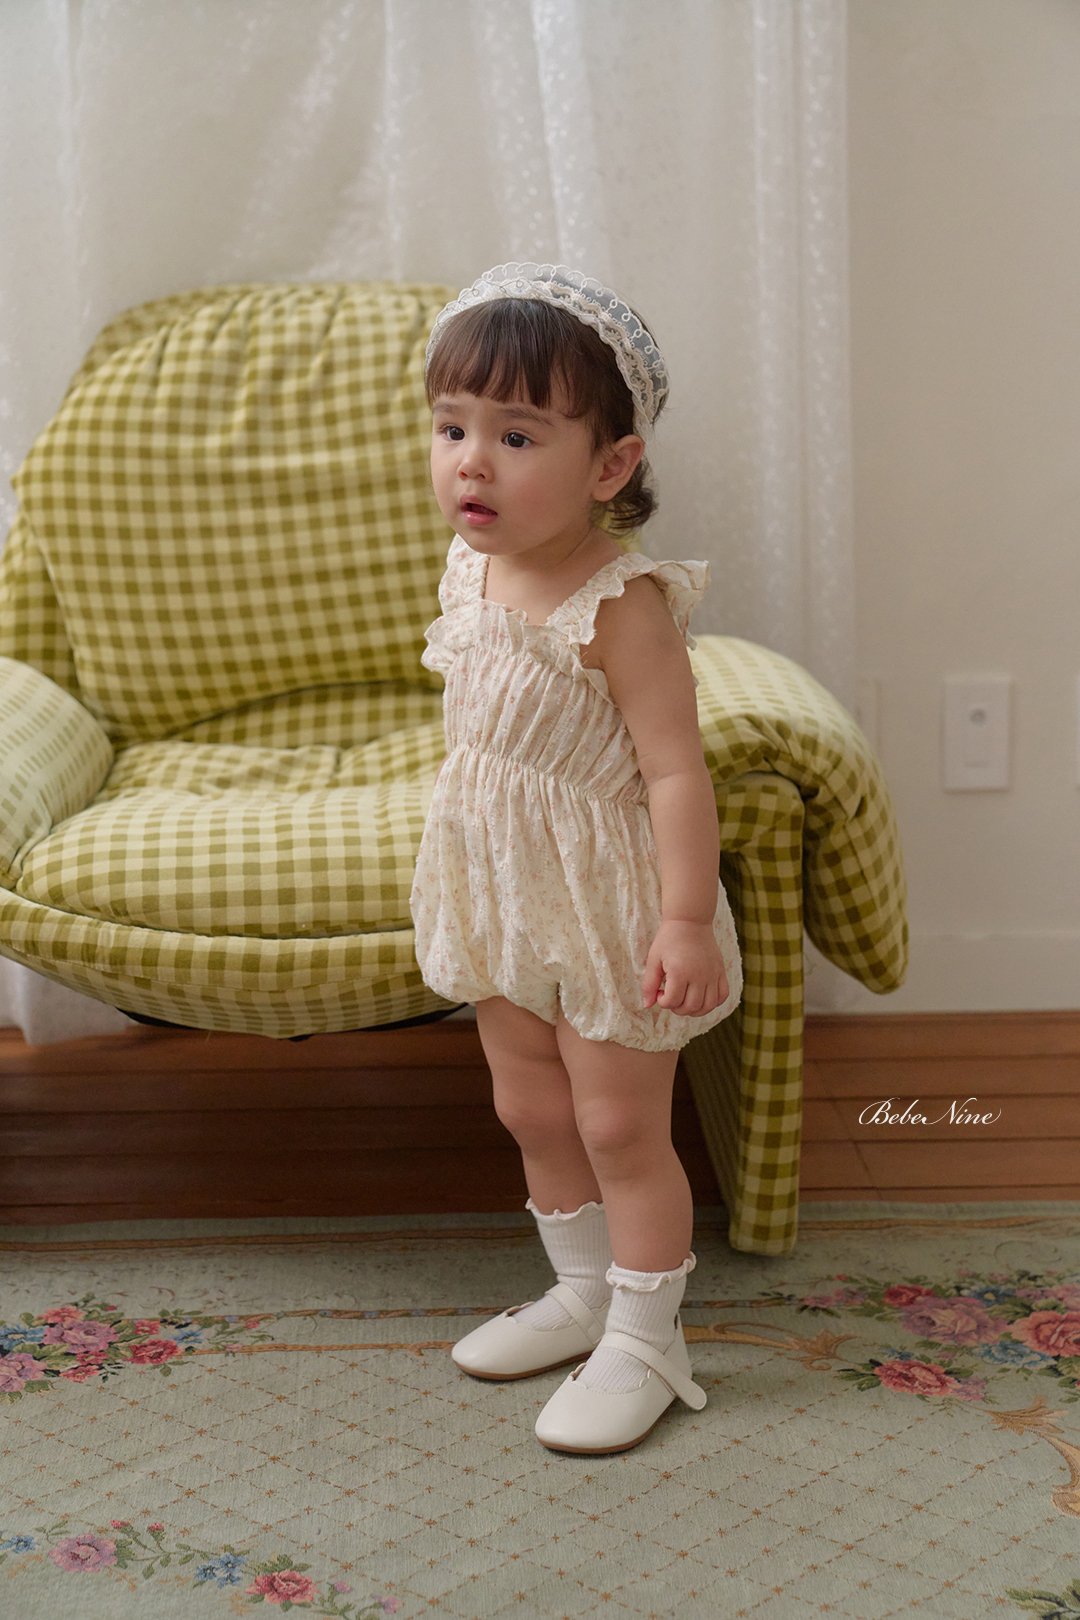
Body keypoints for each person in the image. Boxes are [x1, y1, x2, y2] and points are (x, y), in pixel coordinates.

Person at [409, 262, 743, 1455]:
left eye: (515, 436)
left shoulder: (622, 607)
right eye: (452, 428)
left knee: (614, 1126)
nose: (472, 463)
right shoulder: (473, 566)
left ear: (610, 466)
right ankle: (585, 1291)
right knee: (530, 1106)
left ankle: (650, 1340)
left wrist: (685, 920)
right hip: (502, 889)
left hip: (608, 907)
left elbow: (676, 773)